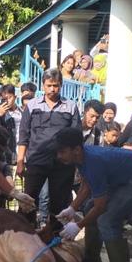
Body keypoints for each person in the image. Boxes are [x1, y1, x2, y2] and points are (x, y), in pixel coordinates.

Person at [55, 128, 132, 262]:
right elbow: (86, 185)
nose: (59, 156)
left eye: (62, 152)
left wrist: (78, 226)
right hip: (125, 175)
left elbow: (101, 206)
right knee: (89, 207)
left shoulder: (93, 161)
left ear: (76, 150)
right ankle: (92, 259)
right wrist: (72, 208)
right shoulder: (83, 157)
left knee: (107, 220)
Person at [16, 68, 81, 224]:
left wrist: (77, 164)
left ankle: (56, 237)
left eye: (56, 85)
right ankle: (25, 235)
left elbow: (77, 138)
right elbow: (23, 135)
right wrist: (20, 162)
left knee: (59, 202)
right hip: (36, 160)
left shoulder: (71, 107)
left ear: (61, 85)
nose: (52, 89)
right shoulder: (32, 106)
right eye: (49, 85)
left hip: (63, 164)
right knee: (29, 200)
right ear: (43, 86)